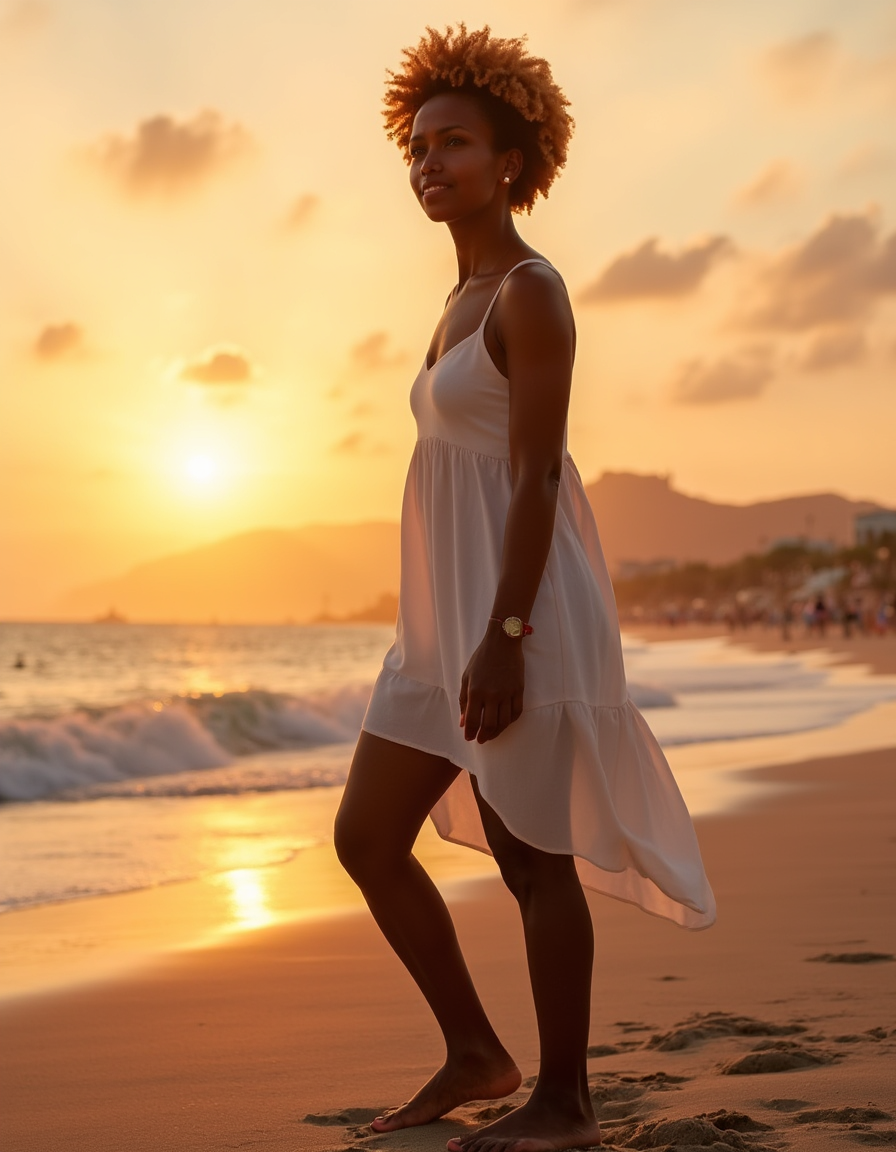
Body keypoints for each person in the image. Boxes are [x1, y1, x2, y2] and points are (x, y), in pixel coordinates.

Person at [334, 25, 715, 1152]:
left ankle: (566, 1100)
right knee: (366, 836)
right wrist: (461, 628)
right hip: (442, 624)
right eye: (416, 146)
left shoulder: (530, 293)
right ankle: (474, 1051)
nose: (428, 163)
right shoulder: (458, 296)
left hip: (520, 611)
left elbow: (538, 474)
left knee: (530, 856)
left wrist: (506, 631)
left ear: (510, 161)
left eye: (452, 142)